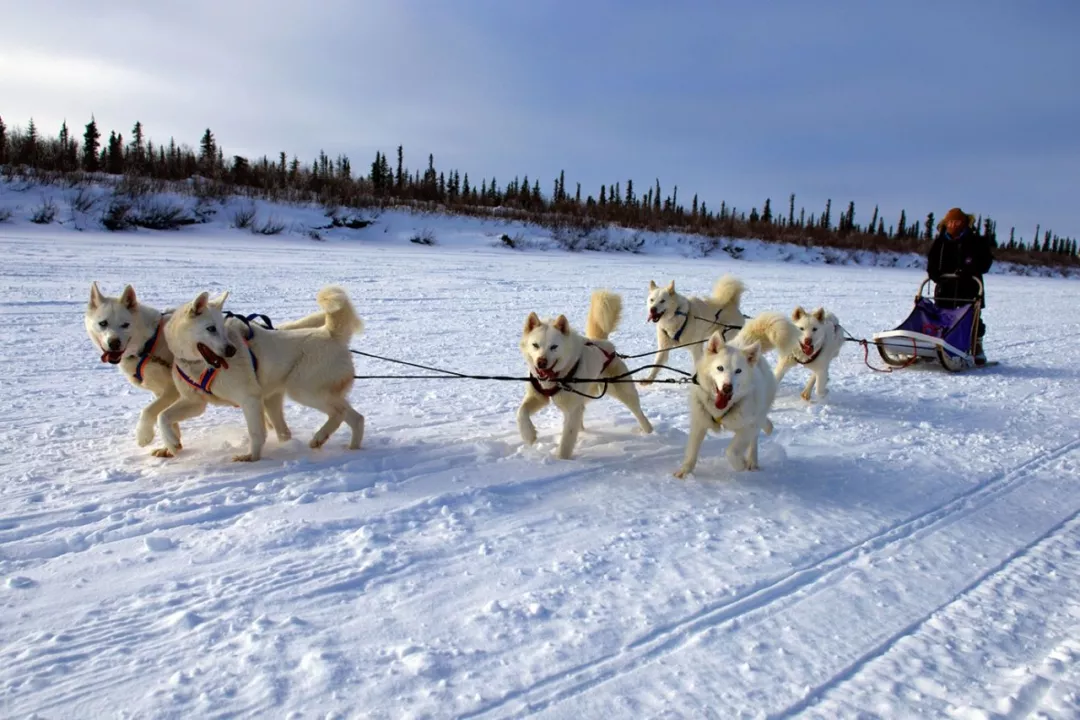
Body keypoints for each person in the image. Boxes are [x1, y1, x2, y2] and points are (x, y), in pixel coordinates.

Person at [926, 207, 994, 365]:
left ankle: (976, 346)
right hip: (945, 287)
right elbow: (932, 263)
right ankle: (939, 346)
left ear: (964, 223)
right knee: (942, 317)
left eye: (957, 222)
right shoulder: (940, 242)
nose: (953, 225)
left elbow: (985, 263)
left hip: (969, 287)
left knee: (972, 318)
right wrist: (935, 275)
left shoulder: (976, 241)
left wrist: (969, 270)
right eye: (950, 221)